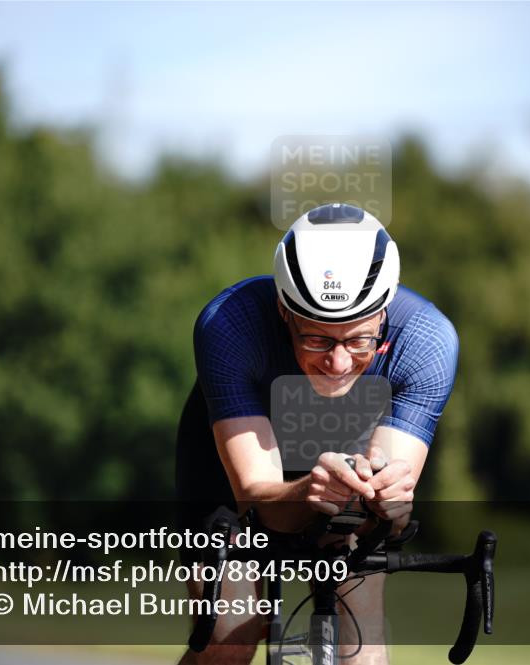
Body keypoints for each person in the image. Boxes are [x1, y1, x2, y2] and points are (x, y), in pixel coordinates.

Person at [175, 203, 459, 665]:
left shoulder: (426, 341)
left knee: (362, 650)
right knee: (231, 637)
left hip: (348, 456)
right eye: (318, 339)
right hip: (234, 466)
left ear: (384, 312)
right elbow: (255, 500)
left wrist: (388, 505)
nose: (339, 363)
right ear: (284, 311)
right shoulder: (231, 324)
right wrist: (308, 490)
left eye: (359, 340)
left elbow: (390, 506)